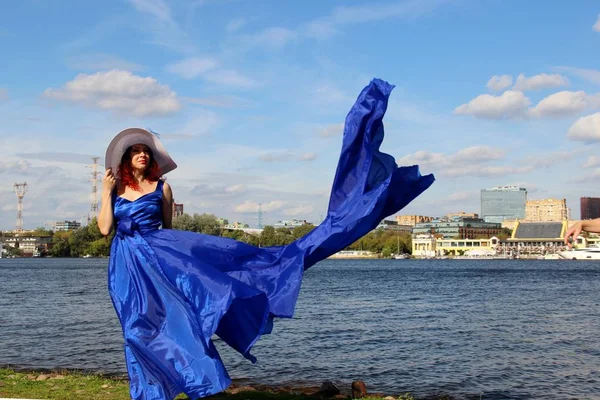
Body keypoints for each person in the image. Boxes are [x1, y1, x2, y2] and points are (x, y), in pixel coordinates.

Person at [98, 78, 435, 400]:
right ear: (127, 159)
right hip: (126, 264)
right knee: (134, 327)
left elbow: (169, 233)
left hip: (159, 259)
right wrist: (104, 192)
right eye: (136, 151)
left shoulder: (163, 188)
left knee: (177, 319)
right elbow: (103, 229)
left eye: (146, 151)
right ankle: (150, 390)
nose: (142, 155)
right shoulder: (116, 190)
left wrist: (185, 266)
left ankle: (190, 381)